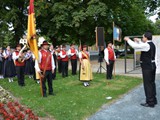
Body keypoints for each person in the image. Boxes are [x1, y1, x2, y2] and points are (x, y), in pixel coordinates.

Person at [124, 31, 157, 108]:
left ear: (146, 37)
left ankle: (150, 102)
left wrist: (128, 40)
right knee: (152, 83)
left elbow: (135, 46)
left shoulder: (146, 45)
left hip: (147, 67)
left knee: (147, 84)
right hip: (152, 66)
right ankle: (153, 100)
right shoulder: (151, 44)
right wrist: (138, 40)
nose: (142, 38)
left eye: (143, 37)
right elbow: (142, 45)